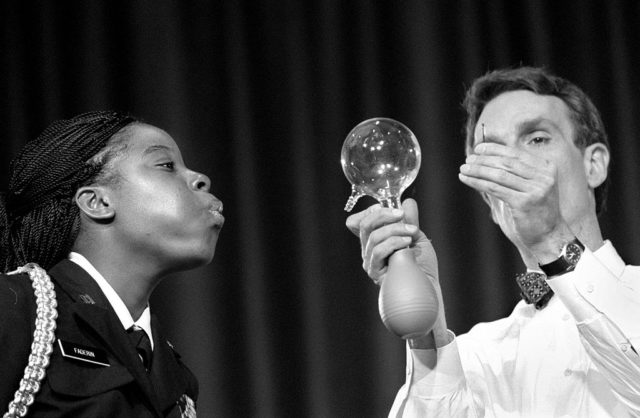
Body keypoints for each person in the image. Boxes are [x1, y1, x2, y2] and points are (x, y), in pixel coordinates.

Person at [346, 67, 640, 417]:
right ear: (488, 198)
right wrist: (427, 331)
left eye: (536, 139)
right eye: (491, 154)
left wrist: (552, 241)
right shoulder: (474, 357)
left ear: (594, 164)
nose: (511, 164)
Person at [0, 111, 224, 417]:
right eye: (167, 165)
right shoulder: (15, 309)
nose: (201, 179)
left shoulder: (177, 377)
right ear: (98, 202)